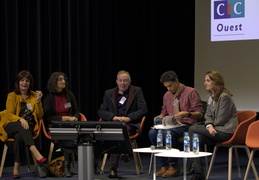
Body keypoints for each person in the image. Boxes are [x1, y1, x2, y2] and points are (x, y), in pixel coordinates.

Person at [148, 70, 204, 178]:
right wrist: (159, 118)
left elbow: (200, 114)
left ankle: (174, 166)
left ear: (176, 81)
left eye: (170, 86)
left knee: (167, 133)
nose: (169, 89)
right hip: (172, 125)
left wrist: (187, 114)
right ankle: (164, 165)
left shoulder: (191, 92)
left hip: (187, 125)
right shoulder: (167, 95)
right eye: (166, 87)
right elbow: (164, 112)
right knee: (152, 133)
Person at [188, 70, 238, 180]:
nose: (205, 83)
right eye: (205, 81)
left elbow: (221, 120)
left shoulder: (225, 97)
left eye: (208, 80)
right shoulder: (211, 97)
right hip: (214, 130)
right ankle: (198, 172)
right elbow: (208, 115)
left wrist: (209, 125)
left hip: (225, 131)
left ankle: (197, 172)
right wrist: (209, 125)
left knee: (192, 129)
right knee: (197, 138)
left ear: (216, 82)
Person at [98, 70, 148, 178]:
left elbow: (143, 109)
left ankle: (112, 167)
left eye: (125, 80)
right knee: (117, 130)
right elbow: (101, 111)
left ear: (129, 82)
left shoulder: (137, 91)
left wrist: (129, 118)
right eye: (120, 80)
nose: (122, 83)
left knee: (120, 130)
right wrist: (113, 117)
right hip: (113, 124)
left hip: (129, 125)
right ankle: (125, 149)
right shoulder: (109, 93)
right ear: (116, 81)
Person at [0, 70, 46, 179]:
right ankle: (35, 152)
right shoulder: (12, 95)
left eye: (27, 81)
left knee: (19, 137)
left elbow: (39, 115)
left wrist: (39, 101)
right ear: (18, 82)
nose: (24, 83)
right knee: (21, 127)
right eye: (22, 80)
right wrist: (21, 119)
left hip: (27, 128)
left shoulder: (34, 95)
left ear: (30, 83)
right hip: (11, 125)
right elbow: (9, 115)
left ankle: (16, 167)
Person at [43, 72, 79, 177]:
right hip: (55, 126)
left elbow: (76, 110)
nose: (63, 81)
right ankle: (67, 167)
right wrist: (65, 118)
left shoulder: (69, 94)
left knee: (81, 135)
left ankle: (68, 166)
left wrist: (75, 117)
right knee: (67, 135)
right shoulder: (48, 98)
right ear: (54, 82)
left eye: (64, 79)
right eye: (60, 79)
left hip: (70, 125)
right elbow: (48, 118)